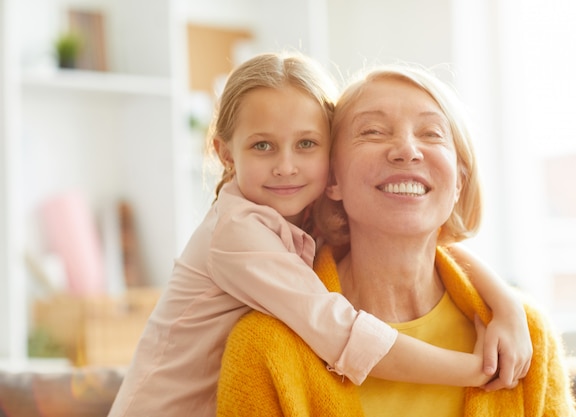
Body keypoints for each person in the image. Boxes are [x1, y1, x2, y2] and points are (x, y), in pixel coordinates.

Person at [108, 52, 532, 417]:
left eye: (307, 144)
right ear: (225, 154)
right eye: (262, 146)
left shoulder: (298, 214)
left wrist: (507, 305)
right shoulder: (237, 232)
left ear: (330, 162)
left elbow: (433, 245)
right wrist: (476, 370)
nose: (286, 166)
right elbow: (339, 332)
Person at [216, 62, 576, 416]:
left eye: (431, 134)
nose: (407, 149)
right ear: (332, 178)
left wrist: (508, 306)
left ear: (458, 182)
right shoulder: (264, 347)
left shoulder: (527, 334)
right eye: (373, 131)